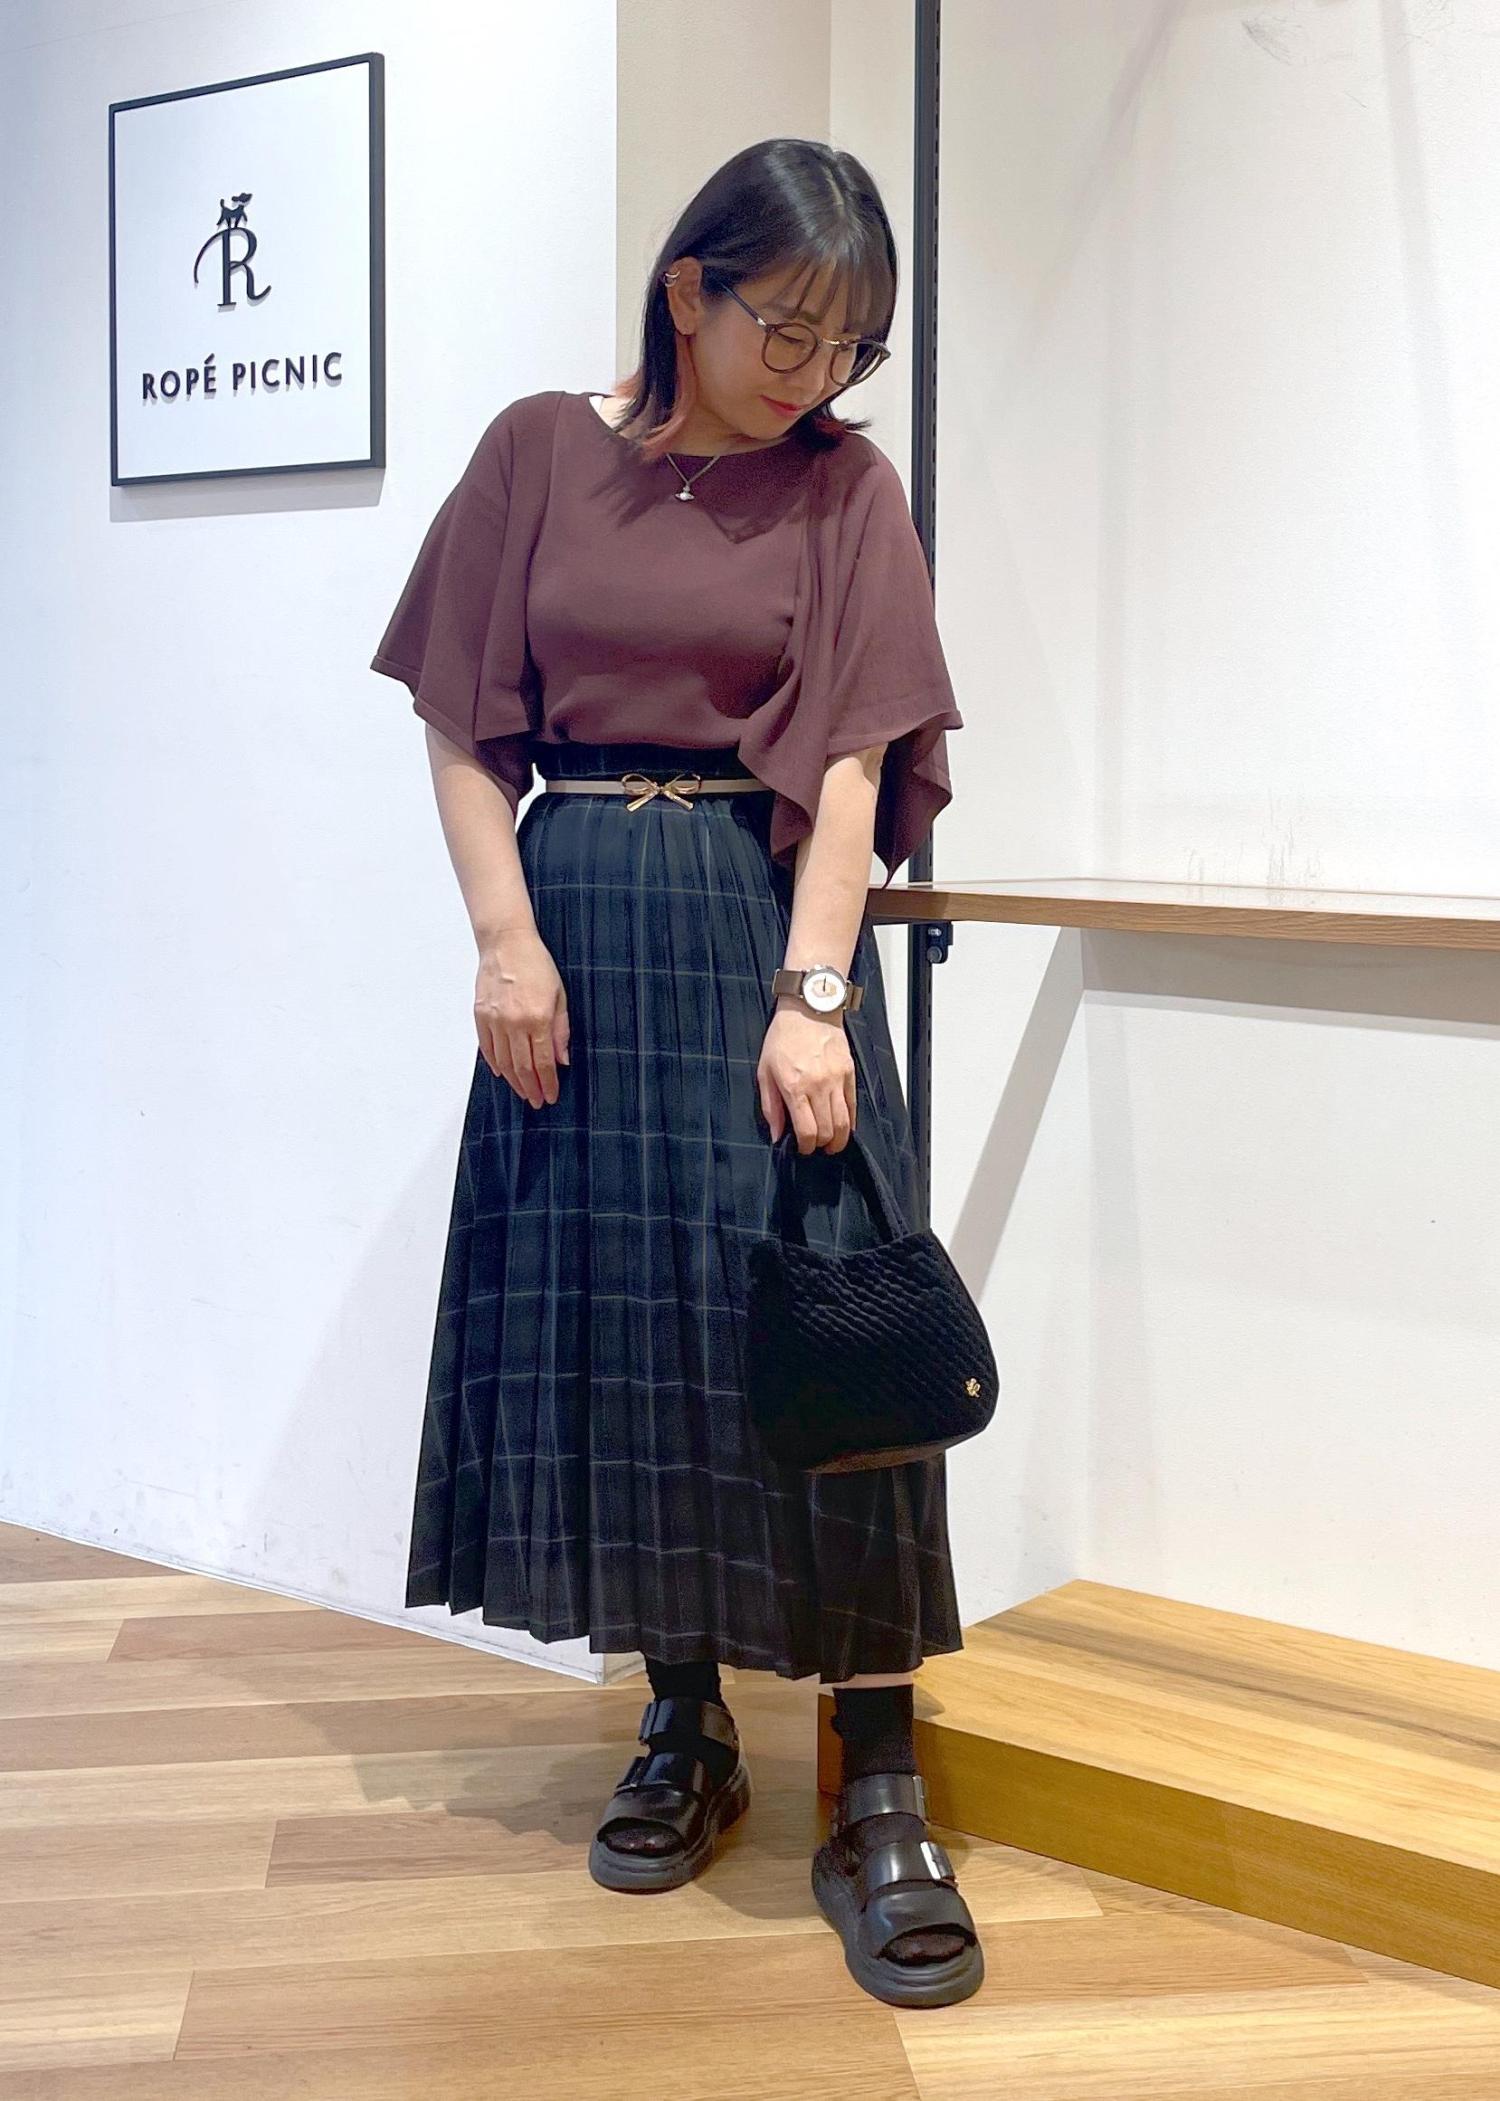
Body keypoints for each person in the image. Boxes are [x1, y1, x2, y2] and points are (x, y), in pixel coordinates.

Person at [370, 137, 982, 2009]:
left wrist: (817, 992)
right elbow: (461, 720)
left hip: (757, 920)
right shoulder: (537, 453)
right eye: (787, 327)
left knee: (833, 1315)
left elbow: (856, 758)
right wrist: (503, 937)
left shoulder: (846, 489)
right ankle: (685, 1721)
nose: (814, 372)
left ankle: (879, 1780)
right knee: (633, 1325)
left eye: (850, 344)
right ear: (687, 289)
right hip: (573, 933)